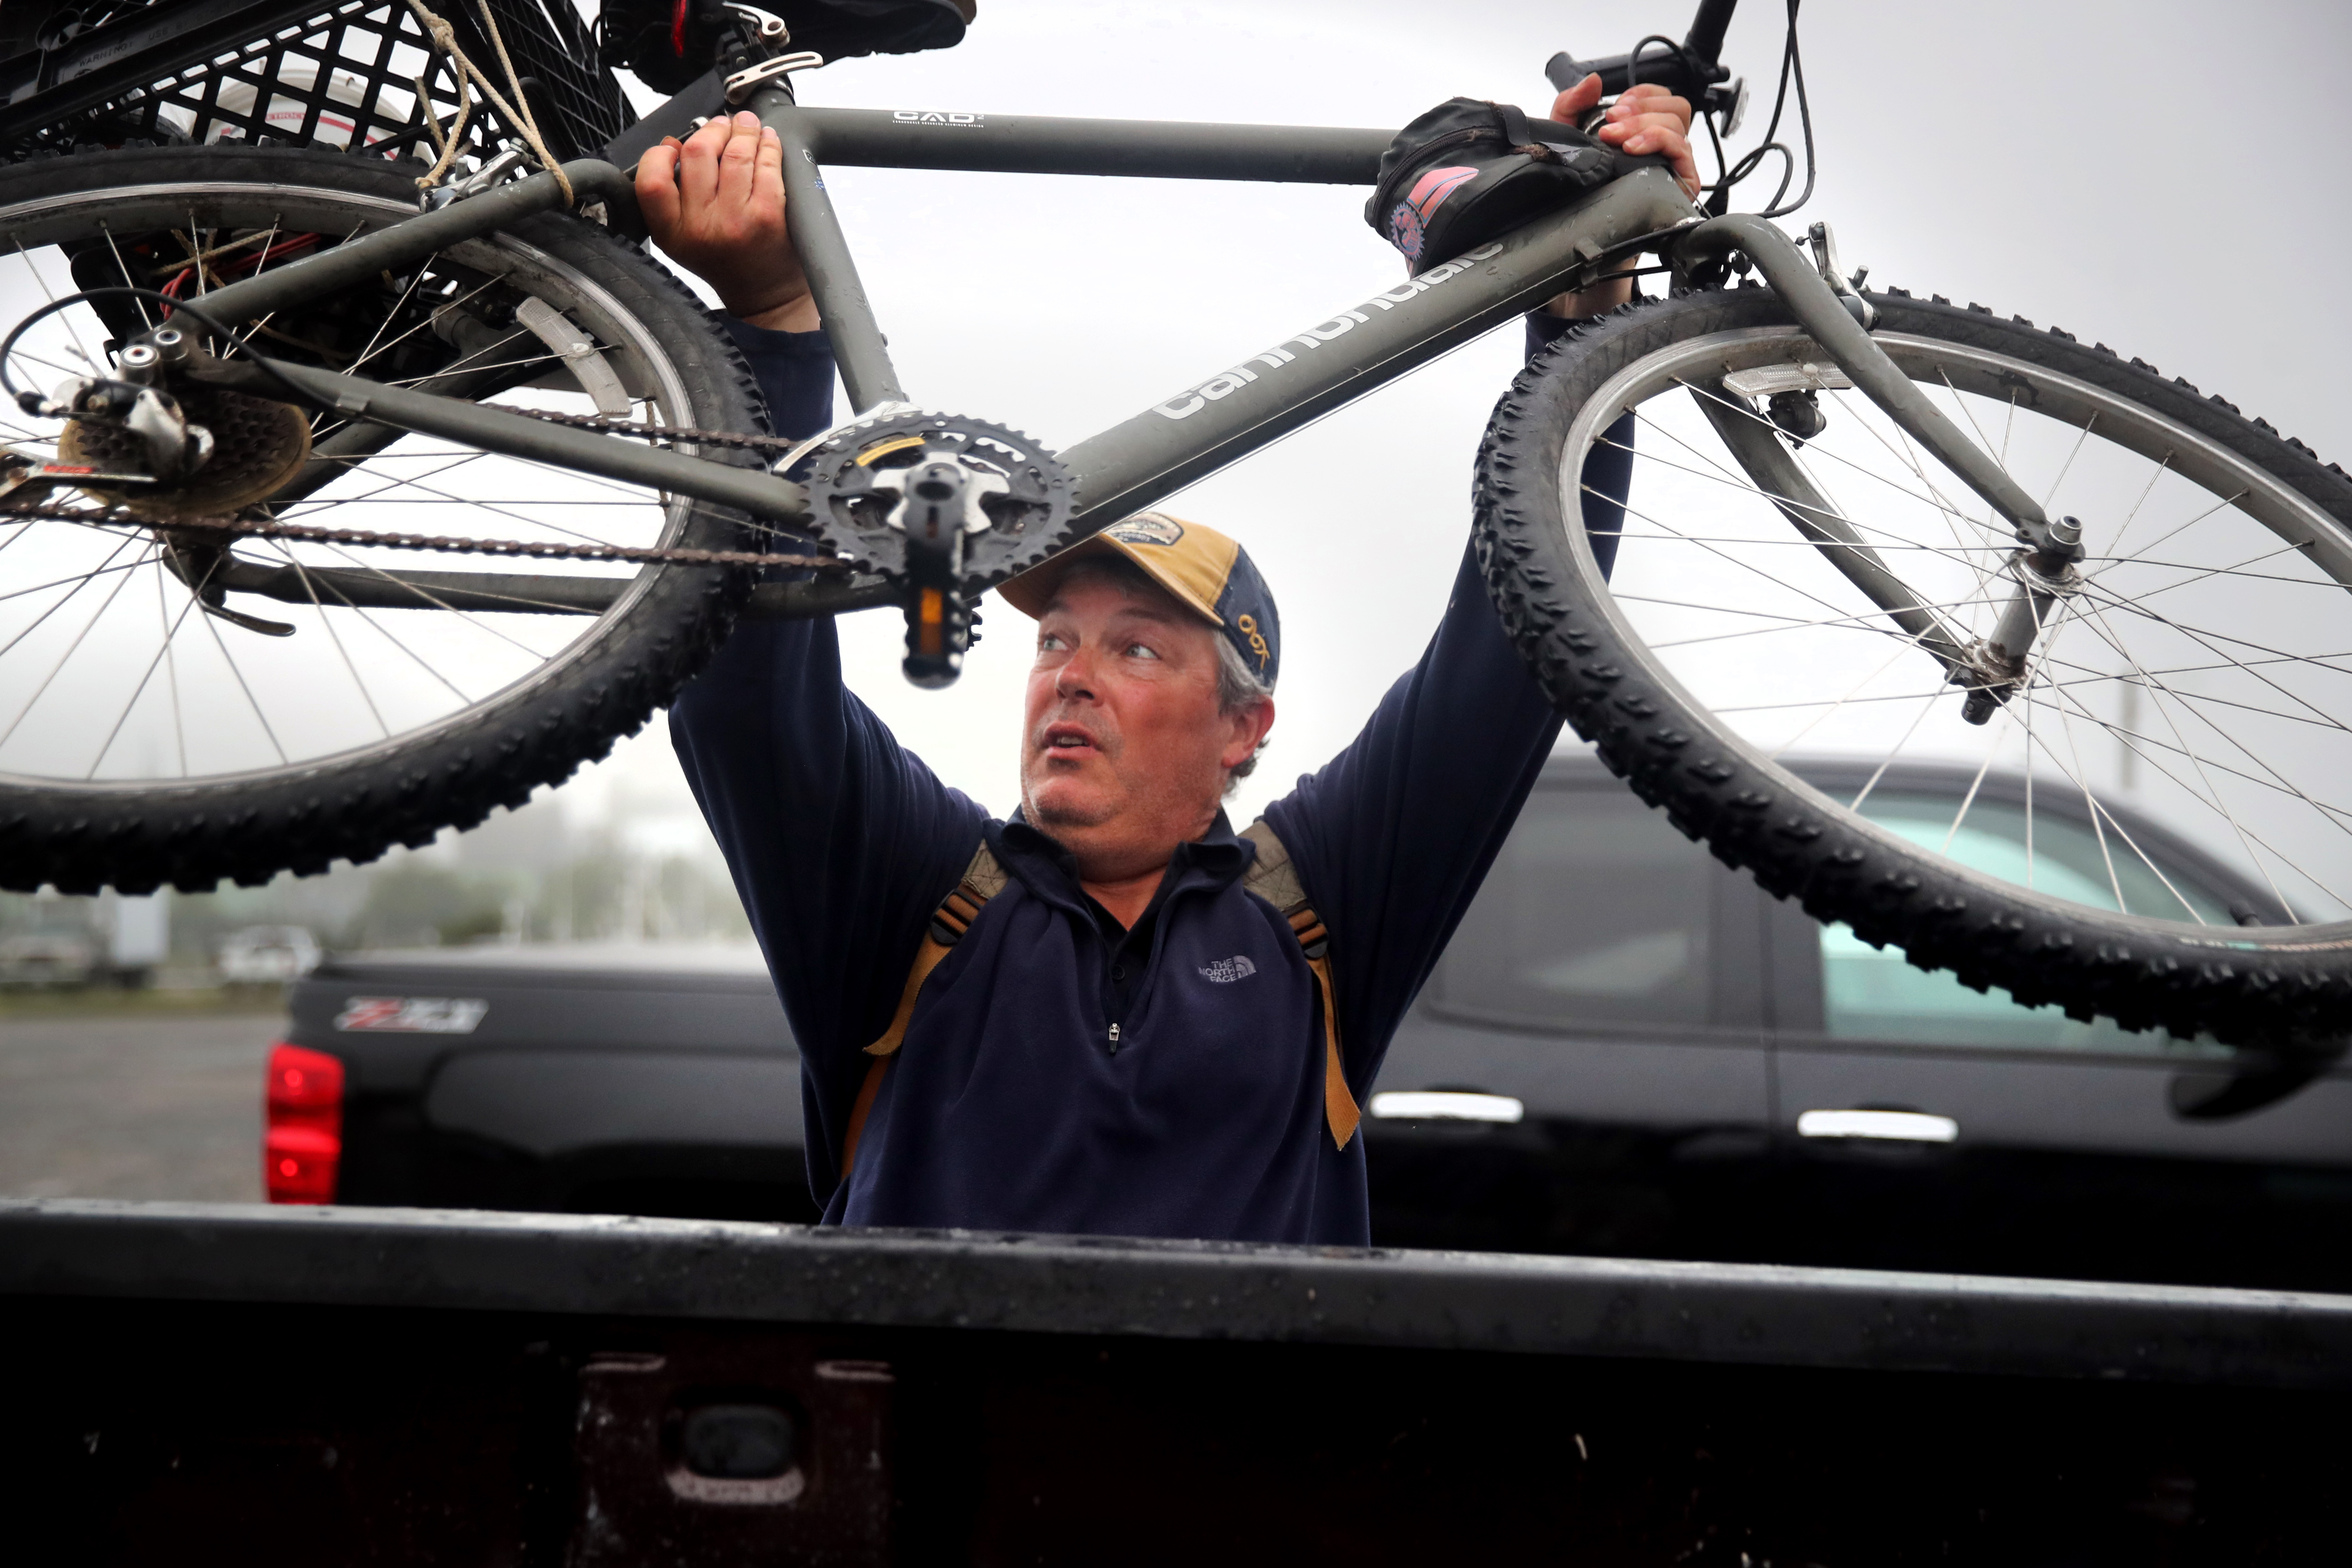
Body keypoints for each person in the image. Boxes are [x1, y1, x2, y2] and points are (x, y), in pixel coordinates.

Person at [644, 77, 1697, 1244]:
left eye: (1137, 647)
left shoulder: (1320, 910)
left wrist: (1590, 319)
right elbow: (745, 700)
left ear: (1245, 726)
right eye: (1055, 641)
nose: (1071, 675)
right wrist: (775, 323)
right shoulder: (922, 893)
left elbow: (1515, 650)